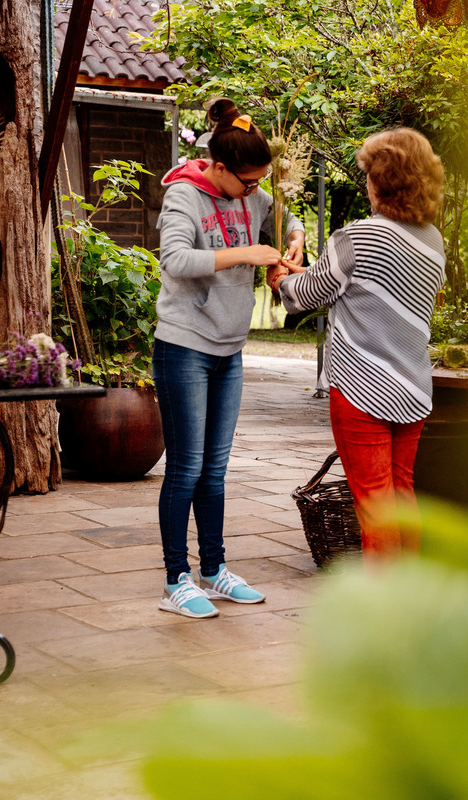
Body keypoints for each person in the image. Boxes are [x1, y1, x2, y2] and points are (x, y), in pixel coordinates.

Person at [154, 98, 305, 618]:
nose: (253, 191)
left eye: (260, 182)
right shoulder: (184, 197)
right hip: (184, 345)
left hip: (229, 349)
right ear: (218, 167)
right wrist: (246, 254)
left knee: (215, 469)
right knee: (186, 468)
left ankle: (214, 570)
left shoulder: (254, 197)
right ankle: (177, 579)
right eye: (246, 181)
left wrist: (293, 243)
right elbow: (174, 260)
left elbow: (285, 227)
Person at [268, 127, 445, 558]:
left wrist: (280, 280)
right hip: (414, 385)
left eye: (368, 174)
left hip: (363, 390)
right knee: (400, 493)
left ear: (381, 181)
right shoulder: (433, 240)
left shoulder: (355, 237)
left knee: (374, 503)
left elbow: (306, 296)